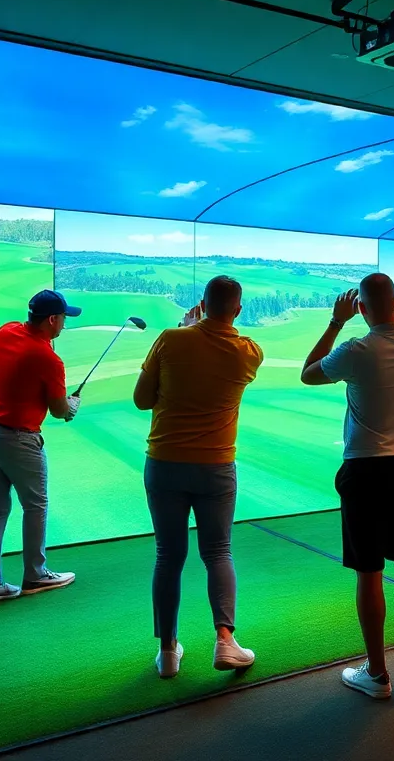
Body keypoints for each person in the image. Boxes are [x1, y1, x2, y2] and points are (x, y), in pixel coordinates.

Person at [300, 273, 394, 699]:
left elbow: (308, 374)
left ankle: (378, 674)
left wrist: (335, 322)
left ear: (361, 309)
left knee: (370, 570)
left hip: (365, 470)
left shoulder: (356, 349)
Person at [133, 276, 261, 679]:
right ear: (238, 310)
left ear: (202, 305)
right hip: (217, 467)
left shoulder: (171, 339)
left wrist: (187, 330)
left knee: (168, 556)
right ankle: (225, 641)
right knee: (218, 553)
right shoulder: (249, 351)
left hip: (165, 462)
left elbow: (141, 399)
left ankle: (168, 652)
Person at [0, 289, 82, 607]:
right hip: (15, 438)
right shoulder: (48, 357)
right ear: (51, 319)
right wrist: (72, 405)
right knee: (35, 505)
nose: (63, 325)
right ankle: (35, 574)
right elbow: (61, 411)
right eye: (62, 319)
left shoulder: (5, 331)